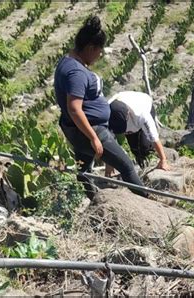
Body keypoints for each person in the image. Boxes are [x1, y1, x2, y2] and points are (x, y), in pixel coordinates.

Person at [54, 16, 147, 199]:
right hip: (91, 129)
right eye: (99, 51)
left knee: (84, 170)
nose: (100, 55)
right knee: (126, 166)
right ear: (90, 48)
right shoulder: (76, 72)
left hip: (79, 129)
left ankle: (94, 202)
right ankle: (148, 203)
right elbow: (74, 108)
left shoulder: (67, 62)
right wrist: (94, 137)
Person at [106, 91, 170, 176]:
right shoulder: (106, 115)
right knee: (135, 148)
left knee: (145, 147)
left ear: (128, 115)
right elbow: (110, 144)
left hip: (144, 105)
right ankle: (141, 166)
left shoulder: (141, 114)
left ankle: (152, 160)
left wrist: (163, 161)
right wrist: (109, 168)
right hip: (127, 116)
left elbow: (154, 137)